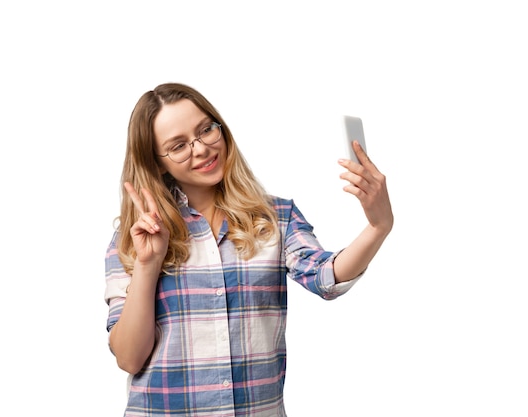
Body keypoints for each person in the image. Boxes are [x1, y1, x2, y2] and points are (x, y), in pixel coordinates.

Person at [104, 82, 393, 417]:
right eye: (178, 145)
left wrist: (378, 227)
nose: (200, 149)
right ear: (157, 163)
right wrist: (148, 264)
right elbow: (129, 358)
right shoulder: (135, 238)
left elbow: (326, 278)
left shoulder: (276, 218)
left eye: (205, 130)